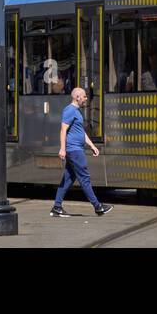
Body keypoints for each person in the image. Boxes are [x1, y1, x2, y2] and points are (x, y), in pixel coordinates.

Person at [50, 87, 111, 217]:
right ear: (77, 97)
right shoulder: (69, 110)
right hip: (74, 150)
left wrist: (92, 145)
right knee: (84, 178)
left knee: (68, 179)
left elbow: (80, 132)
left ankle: (57, 207)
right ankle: (98, 207)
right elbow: (63, 130)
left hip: (76, 149)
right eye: (84, 96)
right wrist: (62, 148)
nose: (86, 98)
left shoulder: (77, 112)